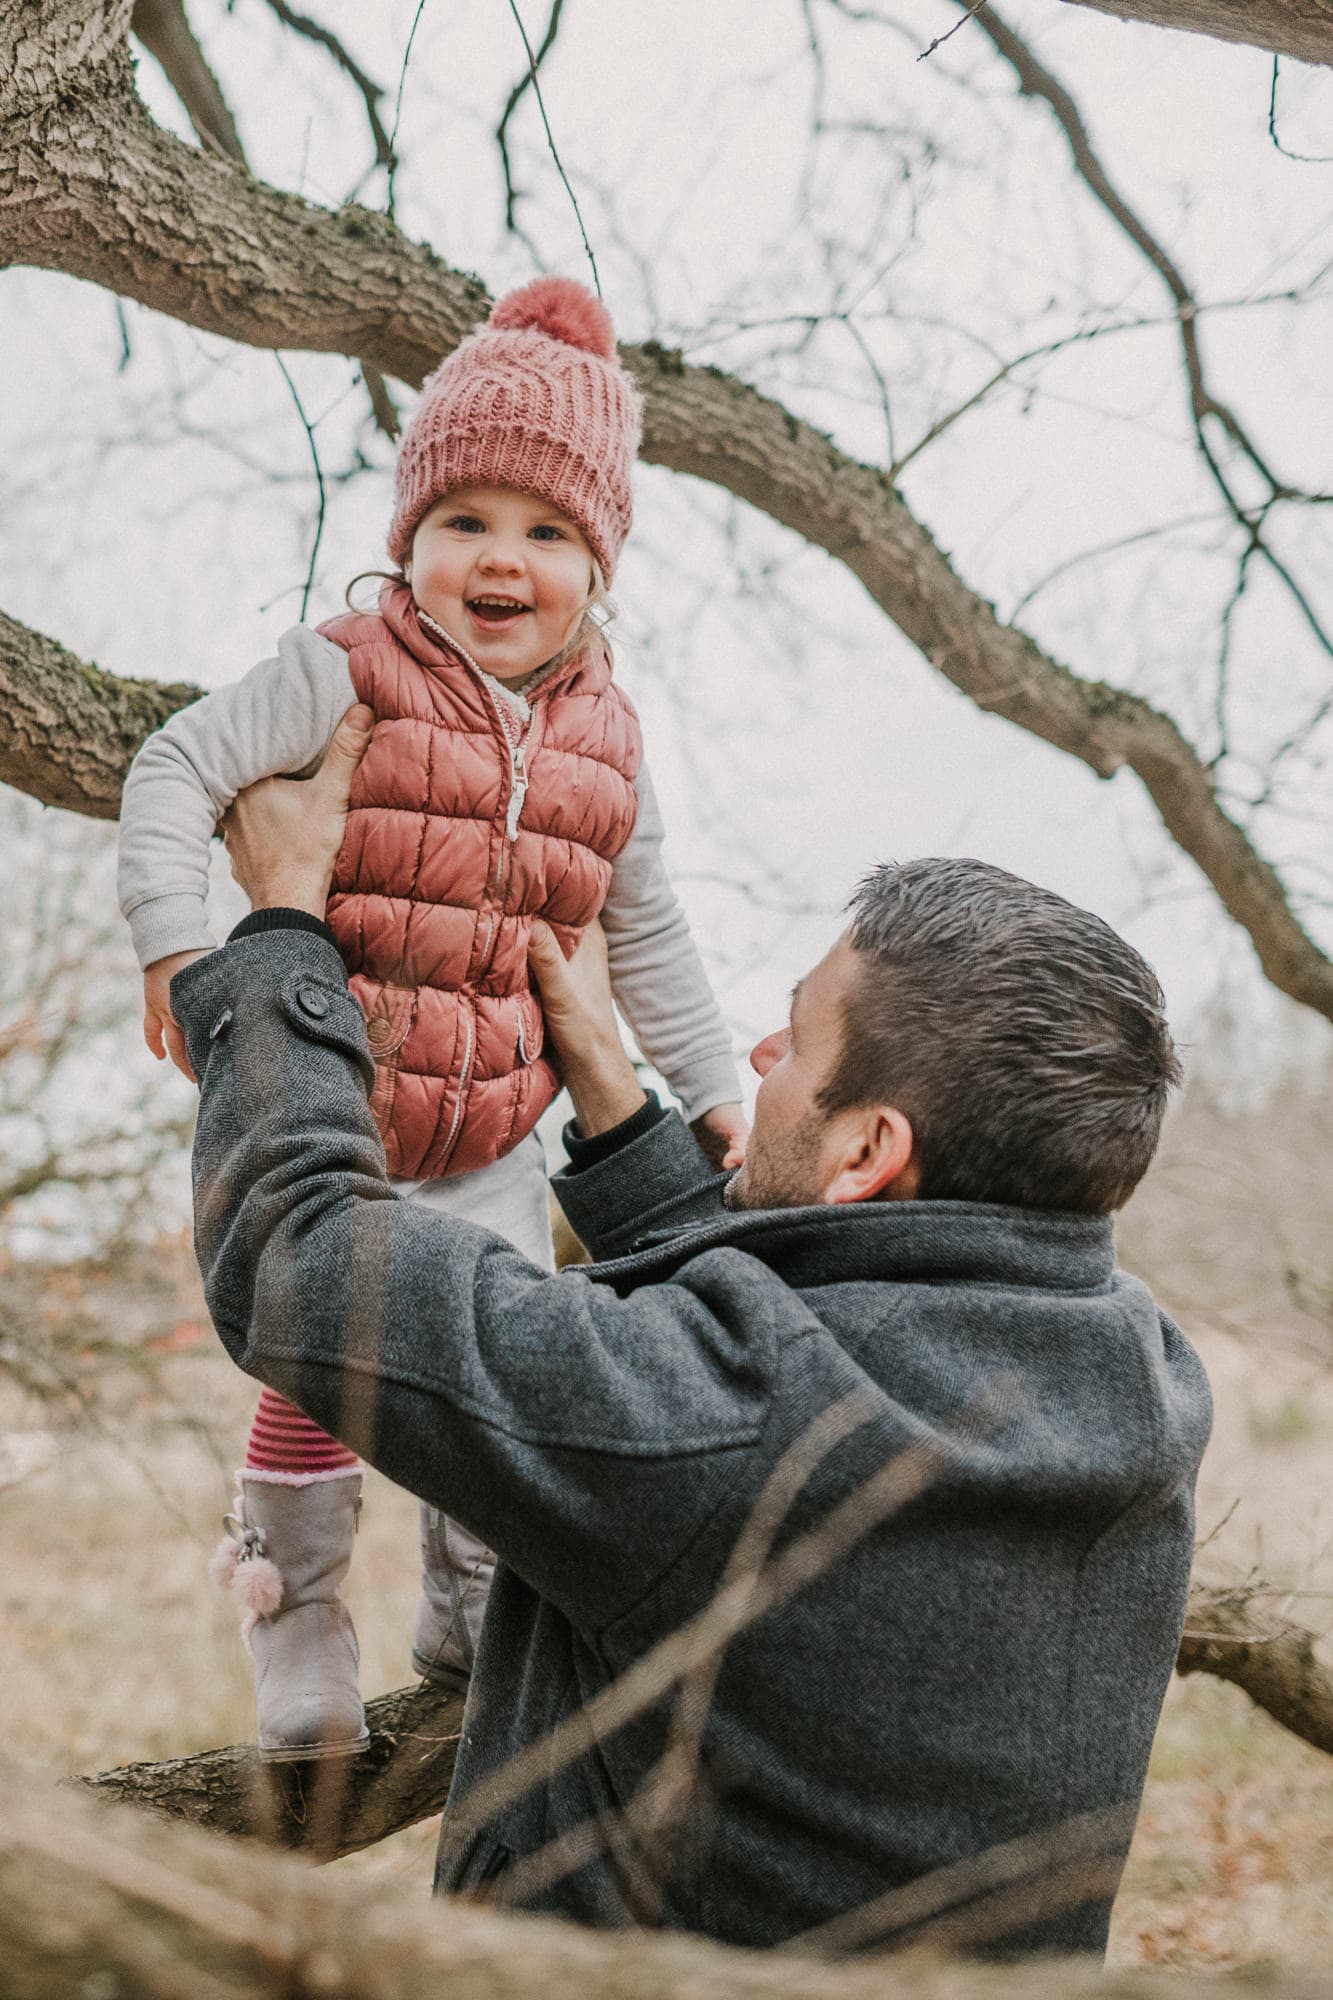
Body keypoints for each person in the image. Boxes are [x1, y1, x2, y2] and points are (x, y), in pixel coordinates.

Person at [164, 713, 1212, 1958]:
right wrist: (611, 1089)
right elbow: (834, 1321)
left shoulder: (730, 1421)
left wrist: (282, 923)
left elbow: (297, 1254)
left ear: (869, 1149)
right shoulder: (1140, 1369)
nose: (757, 1055)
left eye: (797, 1038)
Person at [116, 278, 745, 1762]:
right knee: (320, 1373)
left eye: (545, 533)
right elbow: (171, 767)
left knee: (500, 1384)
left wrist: (713, 1087)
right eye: (462, 521)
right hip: (328, 1109)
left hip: (494, 1135)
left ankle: (473, 1620)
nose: (499, 560)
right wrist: (172, 946)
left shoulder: (613, 741)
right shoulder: (346, 668)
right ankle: (298, 1626)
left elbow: (644, 930)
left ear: (601, 564)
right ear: (410, 541)